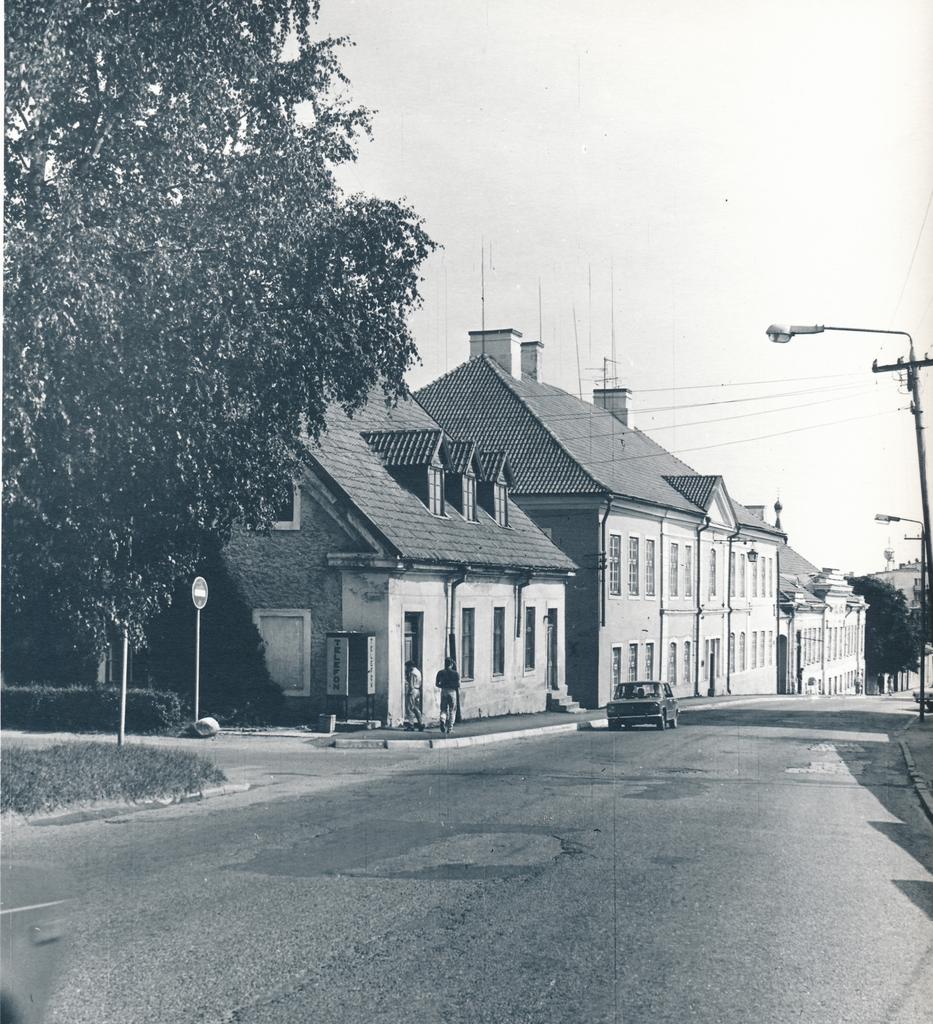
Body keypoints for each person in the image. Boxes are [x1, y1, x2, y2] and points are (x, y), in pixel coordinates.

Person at [435, 657, 460, 735]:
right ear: (451, 664)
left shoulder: (440, 672)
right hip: (452, 691)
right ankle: (450, 729)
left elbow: (437, 684)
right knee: (452, 710)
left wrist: (442, 686)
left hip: (444, 691)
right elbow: (458, 685)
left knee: (443, 709)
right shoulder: (455, 673)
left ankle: (442, 720)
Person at [404, 660, 424, 731]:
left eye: (407, 666)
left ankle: (411, 725)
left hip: (413, 690)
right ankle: (420, 723)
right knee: (416, 708)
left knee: (409, 708)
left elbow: (411, 684)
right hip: (418, 690)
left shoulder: (412, 673)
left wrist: (409, 692)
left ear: (410, 666)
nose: (406, 668)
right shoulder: (418, 672)